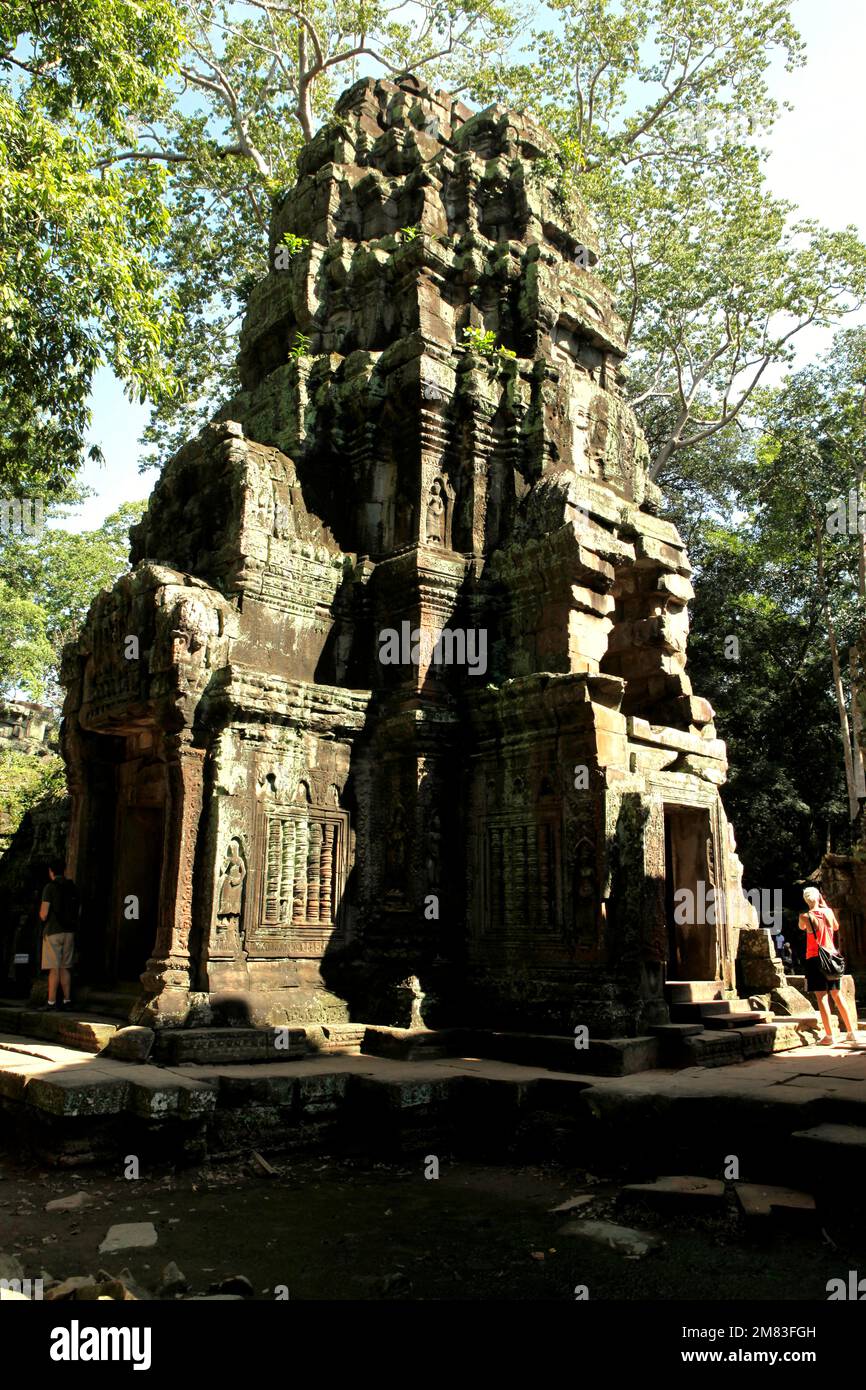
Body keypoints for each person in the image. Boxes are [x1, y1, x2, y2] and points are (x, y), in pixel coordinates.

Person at [798, 886, 860, 1046]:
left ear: (805, 899)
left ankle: (829, 1035)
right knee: (837, 995)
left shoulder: (805, 916)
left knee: (821, 997)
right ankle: (851, 1032)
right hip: (831, 956)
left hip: (815, 957)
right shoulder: (829, 912)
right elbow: (836, 926)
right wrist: (824, 907)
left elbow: (802, 928)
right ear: (819, 897)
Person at [38, 859, 79, 1010]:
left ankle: (51, 1002)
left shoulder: (50, 887)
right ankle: (68, 1001)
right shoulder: (72, 887)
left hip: (53, 931)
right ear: (65, 870)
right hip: (69, 932)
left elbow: (43, 913)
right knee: (65, 967)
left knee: (53, 968)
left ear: (51, 871)